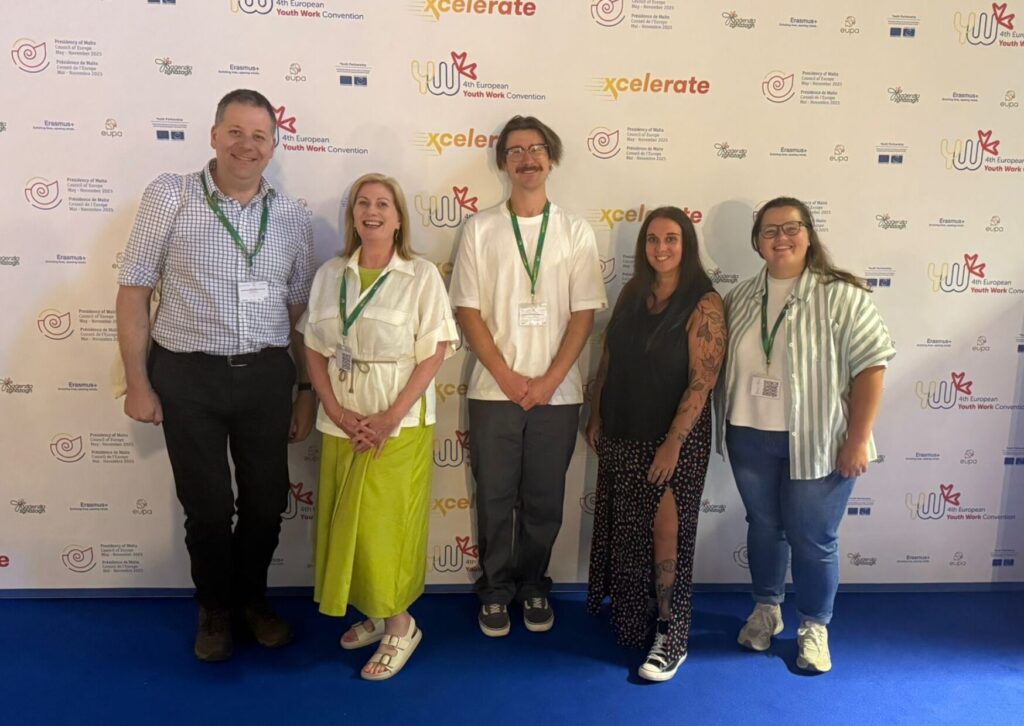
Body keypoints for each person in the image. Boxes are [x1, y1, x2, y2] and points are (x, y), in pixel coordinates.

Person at [115, 89, 316, 662]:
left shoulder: (292, 215)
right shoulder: (170, 196)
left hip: (265, 379)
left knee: (265, 501)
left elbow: (298, 314)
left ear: (274, 144)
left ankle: (251, 598)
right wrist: (137, 382)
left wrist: (303, 391)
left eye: (259, 135)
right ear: (212, 135)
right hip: (188, 378)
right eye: (235, 132)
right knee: (206, 507)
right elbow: (134, 293)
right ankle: (215, 608)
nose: (246, 146)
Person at [715, 197, 895, 673]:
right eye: (769, 231)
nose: (781, 238)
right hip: (750, 435)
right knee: (765, 528)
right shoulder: (740, 298)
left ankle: (814, 626)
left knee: (813, 539)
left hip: (820, 441)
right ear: (757, 243)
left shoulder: (843, 295)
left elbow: (872, 367)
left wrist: (858, 440)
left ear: (809, 234)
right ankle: (767, 609)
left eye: (790, 228)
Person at [450, 115, 607, 637]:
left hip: (557, 395)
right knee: (493, 495)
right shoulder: (480, 228)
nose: (528, 159)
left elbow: (584, 313)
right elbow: (468, 311)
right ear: (502, 163)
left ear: (552, 158)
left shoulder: (575, 230)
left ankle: (535, 584)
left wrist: (546, 381)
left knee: (543, 499)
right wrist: (509, 377)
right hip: (494, 391)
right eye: (516, 151)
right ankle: (495, 590)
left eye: (537, 148)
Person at [299, 173, 458, 680]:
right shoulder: (330, 274)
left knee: (387, 529)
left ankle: (400, 625)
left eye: (382, 204)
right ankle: (372, 609)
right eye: (363, 203)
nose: (372, 211)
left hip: (399, 424)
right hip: (342, 422)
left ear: (398, 218)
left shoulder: (421, 274)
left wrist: (388, 418)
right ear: (353, 215)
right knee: (350, 526)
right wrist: (339, 412)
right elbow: (313, 348)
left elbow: (434, 351)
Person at [585, 207, 726, 681]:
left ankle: (672, 633)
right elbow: (609, 356)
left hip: (673, 439)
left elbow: (701, 382)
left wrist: (672, 445)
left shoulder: (703, 302)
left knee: (667, 535)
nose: (660, 248)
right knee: (628, 531)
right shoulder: (631, 291)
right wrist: (596, 410)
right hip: (622, 431)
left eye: (671, 239)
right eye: (652, 240)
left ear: (686, 245)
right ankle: (634, 615)